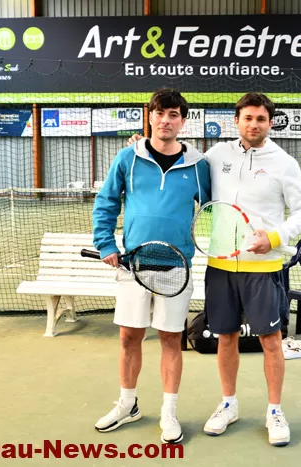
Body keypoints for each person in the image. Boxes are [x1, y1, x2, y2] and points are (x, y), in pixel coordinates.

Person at [128, 92, 301, 446]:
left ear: (270, 123)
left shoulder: (284, 162)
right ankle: (229, 404)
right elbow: (176, 156)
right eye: (248, 118)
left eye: (261, 119)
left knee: (271, 341)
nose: (254, 125)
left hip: (264, 268)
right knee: (225, 337)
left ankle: (275, 411)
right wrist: (145, 147)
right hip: (221, 265)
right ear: (236, 121)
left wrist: (275, 237)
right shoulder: (216, 155)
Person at [92, 88, 211, 445]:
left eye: (173, 114)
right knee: (129, 337)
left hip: (176, 268)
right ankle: (127, 404)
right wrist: (106, 244)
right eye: (160, 113)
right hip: (133, 266)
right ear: (150, 117)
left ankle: (169, 412)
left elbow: (212, 210)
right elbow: (106, 203)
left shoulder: (198, 165)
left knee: (171, 339)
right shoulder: (128, 158)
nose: (165, 120)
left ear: (183, 121)